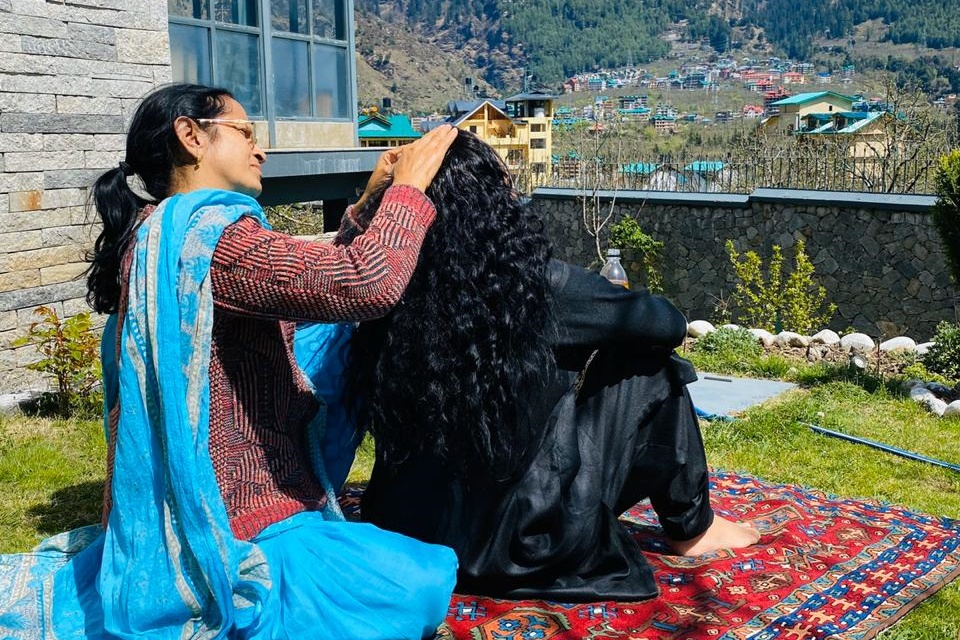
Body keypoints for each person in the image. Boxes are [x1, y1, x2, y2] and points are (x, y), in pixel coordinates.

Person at [0, 83, 459, 639]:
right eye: (245, 133)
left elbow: (300, 282)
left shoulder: (167, 233)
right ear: (191, 136)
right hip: (235, 518)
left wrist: (366, 201)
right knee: (420, 585)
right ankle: (237, 578)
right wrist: (410, 189)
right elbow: (364, 282)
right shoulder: (212, 241)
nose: (258, 149)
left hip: (224, 489)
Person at [339, 131, 760, 603]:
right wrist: (604, 316)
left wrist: (372, 198)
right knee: (653, 364)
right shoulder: (537, 285)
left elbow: (344, 258)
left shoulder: (376, 280)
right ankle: (692, 528)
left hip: (408, 528)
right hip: (524, 543)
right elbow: (667, 324)